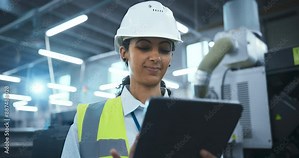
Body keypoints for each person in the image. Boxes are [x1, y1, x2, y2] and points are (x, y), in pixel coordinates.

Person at [61, 1, 216, 158]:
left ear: (170, 58)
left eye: (164, 49)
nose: (155, 57)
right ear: (124, 52)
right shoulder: (88, 120)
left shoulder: (193, 120)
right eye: (144, 47)